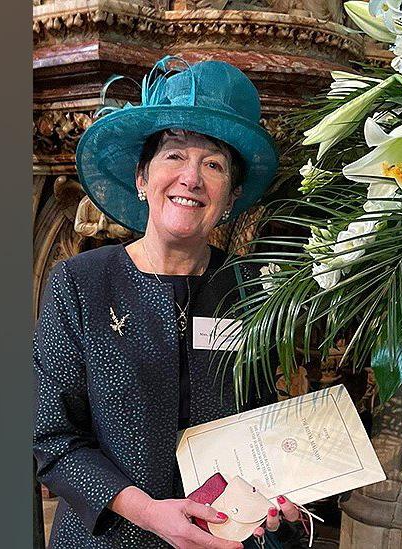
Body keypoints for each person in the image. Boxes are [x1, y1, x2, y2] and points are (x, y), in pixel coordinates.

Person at [34, 58, 302, 548]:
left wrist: (282, 495)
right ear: (142, 178)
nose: (191, 178)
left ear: (232, 196)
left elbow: (261, 424)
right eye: (174, 155)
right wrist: (149, 513)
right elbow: (51, 438)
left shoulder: (249, 289)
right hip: (108, 538)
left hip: (225, 538)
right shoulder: (79, 283)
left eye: (214, 165)